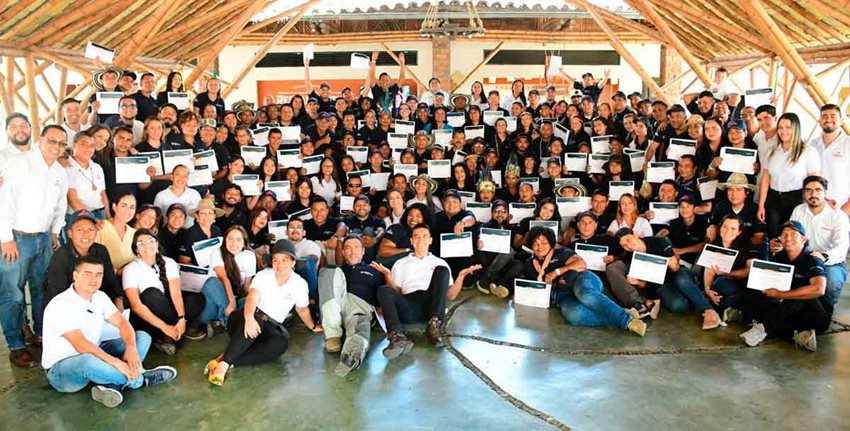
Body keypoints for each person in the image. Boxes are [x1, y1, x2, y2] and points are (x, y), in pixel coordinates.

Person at [42, 256, 177, 408]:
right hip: (63, 370)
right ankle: (141, 379)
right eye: (88, 274)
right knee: (88, 360)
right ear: (75, 276)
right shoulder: (60, 305)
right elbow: (81, 345)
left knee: (142, 337)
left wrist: (131, 347)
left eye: (98, 274)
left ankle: (113, 385)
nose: (94, 279)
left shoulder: (99, 297)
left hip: (95, 350)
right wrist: (117, 363)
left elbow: (122, 322)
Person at [205, 240, 322, 386]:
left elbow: (302, 309)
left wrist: (312, 326)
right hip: (244, 320)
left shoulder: (299, 284)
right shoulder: (263, 275)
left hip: (271, 325)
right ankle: (223, 366)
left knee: (280, 344)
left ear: (293, 262)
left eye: (285, 260)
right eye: (276, 260)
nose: (280, 264)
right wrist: (248, 317)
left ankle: (227, 361)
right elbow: (252, 297)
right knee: (258, 319)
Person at [0, 124, 69, 367]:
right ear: (40, 140)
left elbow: (60, 207)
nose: (57, 147)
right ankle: (17, 345)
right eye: (52, 141)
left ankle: (41, 334)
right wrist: (5, 237)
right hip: (16, 238)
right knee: (12, 294)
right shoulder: (20, 164)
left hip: (44, 239)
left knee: (42, 289)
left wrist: (54, 232)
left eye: (62, 144)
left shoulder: (60, 172)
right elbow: (4, 201)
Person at [373, 224, 480, 358]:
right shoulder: (400, 263)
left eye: (424, 236)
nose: (420, 240)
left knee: (442, 270)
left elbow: (451, 295)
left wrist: (461, 276)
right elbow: (396, 292)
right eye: (416, 237)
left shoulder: (440, 262)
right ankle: (397, 337)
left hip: (431, 306)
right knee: (384, 289)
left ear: (430, 240)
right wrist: (388, 275)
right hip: (409, 305)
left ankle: (434, 327)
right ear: (411, 241)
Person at [522, 226, 646, 335]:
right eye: (536, 243)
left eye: (544, 242)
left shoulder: (561, 252)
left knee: (585, 294)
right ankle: (621, 312)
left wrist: (557, 272)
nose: (540, 247)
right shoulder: (529, 264)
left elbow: (581, 264)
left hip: (581, 280)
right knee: (573, 315)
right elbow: (529, 286)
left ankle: (627, 321)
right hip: (561, 295)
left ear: (551, 243)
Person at [739, 221, 831, 352]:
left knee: (799, 296)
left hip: (816, 313)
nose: (788, 238)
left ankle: (762, 330)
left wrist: (781, 295)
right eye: (784, 235)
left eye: (794, 234)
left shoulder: (812, 259)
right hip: (790, 311)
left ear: (804, 239)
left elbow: (818, 289)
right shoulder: (781, 257)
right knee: (756, 297)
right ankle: (798, 335)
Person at [122, 229, 206, 355]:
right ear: (136, 250)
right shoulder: (130, 269)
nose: (147, 246)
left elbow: (175, 293)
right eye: (141, 243)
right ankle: (174, 332)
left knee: (197, 298)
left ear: (157, 245)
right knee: (151, 293)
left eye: (151, 241)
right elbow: (136, 306)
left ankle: (172, 335)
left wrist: (182, 318)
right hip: (149, 317)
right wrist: (164, 327)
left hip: (167, 309)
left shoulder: (168, 262)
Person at [318, 234, 386, 376]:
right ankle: (332, 335)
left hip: (358, 308)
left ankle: (351, 356)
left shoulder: (374, 271)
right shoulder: (338, 270)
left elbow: (383, 295)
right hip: (335, 308)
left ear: (363, 251)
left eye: (356, 247)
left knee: (360, 324)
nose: (352, 251)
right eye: (348, 248)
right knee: (327, 271)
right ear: (343, 252)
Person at [43, 210, 121, 320]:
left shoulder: (101, 251)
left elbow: (110, 282)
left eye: (90, 229)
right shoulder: (61, 256)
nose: (86, 234)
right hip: (68, 313)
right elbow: (58, 295)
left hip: (97, 307)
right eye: (80, 230)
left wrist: (118, 299)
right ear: (70, 233)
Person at [786, 176, 849, 309]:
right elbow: (789, 233)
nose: (813, 194)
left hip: (830, 263)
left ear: (825, 193)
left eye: (818, 190)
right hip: (802, 258)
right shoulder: (798, 210)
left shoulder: (837, 216)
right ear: (804, 193)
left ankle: (827, 309)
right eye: (808, 190)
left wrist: (824, 256)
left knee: (831, 280)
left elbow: (841, 247)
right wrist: (779, 242)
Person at [757, 113, 820, 238]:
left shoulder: (808, 151)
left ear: (796, 129)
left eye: (788, 127)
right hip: (773, 197)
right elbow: (766, 178)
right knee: (773, 235)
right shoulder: (772, 151)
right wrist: (761, 205)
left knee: (791, 236)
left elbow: (814, 181)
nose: (783, 131)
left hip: (796, 199)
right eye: (780, 127)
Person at [703, 214, 764, 322]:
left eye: (733, 228)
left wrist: (727, 273)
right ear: (720, 228)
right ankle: (724, 306)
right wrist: (707, 289)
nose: (728, 231)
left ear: (739, 231)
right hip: (720, 283)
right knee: (720, 284)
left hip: (741, 284)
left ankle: (723, 307)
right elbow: (709, 268)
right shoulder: (715, 241)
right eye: (725, 227)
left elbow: (749, 270)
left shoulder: (746, 243)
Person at [473, 200, 524, 298]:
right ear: (492, 213)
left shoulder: (510, 228)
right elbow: (480, 235)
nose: (500, 214)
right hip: (488, 261)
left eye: (503, 212)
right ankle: (484, 280)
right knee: (509, 250)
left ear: (507, 214)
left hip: (503, 262)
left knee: (519, 264)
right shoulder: (485, 226)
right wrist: (479, 241)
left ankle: (501, 286)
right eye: (497, 211)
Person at [810, 104, 850, 215]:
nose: (828, 119)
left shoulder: (848, 144)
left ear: (841, 121)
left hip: (842, 208)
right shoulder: (812, 144)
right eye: (824, 116)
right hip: (816, 206)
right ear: (819, 121)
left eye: (833, 116)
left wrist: (846, 209)